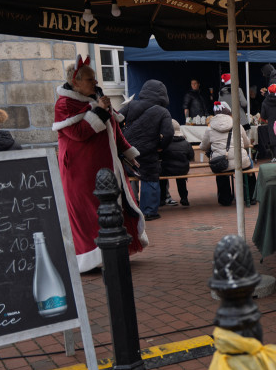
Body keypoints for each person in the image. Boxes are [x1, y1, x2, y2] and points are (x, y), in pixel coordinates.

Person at [54, 55, 147, 272]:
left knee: (117, 206)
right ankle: (92, 259)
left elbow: (113, 128)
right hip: (81, 171)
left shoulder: (98, 97)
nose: (95, 83)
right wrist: (98, 111)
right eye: (90, 79)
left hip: (107, 166)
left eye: (95, 79)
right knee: (89, 212)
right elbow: (77, 133)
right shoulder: (65, 104)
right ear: (75, 82)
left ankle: (115, 251)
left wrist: (128, 152)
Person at [121, 79, 174, 221]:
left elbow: (116, 120)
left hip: (127, 152)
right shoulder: (163, 112)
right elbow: (168, 134)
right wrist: (161, 146)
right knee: (150, 178)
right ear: (163, 95)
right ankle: (149, 211)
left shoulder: (131, 105)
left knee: (127, 178)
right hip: (148, 154)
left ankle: (129, 208)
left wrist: (122, 139)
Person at [201, 101, 254, 206]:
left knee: (220, 172)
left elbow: (203, 147)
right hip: (240, 161)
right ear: (228, 112)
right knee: (248, 166)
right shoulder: (237, 125)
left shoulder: (210, 128)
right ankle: (251, 196)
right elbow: (247, 143)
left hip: (222, 163)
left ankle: (225, 199)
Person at [160, 120, 194, 207]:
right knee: (181, 180)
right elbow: (191, 157)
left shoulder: (164, 144)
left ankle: (162, 198)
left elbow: (160, 156)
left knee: (162, 180)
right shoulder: (186, 143)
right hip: (182, 169)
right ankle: (184, 198)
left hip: (166, 170)